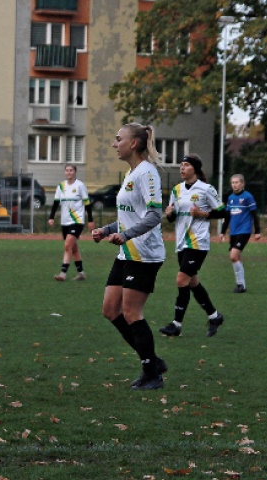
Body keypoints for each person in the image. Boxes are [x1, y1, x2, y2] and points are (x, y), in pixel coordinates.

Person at [92, 123, 166, 390]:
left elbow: (155, 215)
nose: (114, 144)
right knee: (111, 310)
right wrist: (107, 230)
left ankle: (152, 374)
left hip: (143, 254)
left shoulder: (147, 173)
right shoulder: (131, 173)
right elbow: (129, 217)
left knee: (132, 312)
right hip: (127, 252)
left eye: (118, 139)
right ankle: (152, 361)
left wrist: (126, 235)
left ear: (133, 143)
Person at [158, 154, 225, 338]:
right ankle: (214, 316)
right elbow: (173, 218)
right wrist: (170, 213)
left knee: (182, 280)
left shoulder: (206, 189)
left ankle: (176, 325)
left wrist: (203, 214)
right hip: (182, 243)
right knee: (192, 282)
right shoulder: (177, 189)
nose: (182, 168)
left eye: (186, 165)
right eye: (181, 165)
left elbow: (222, 212)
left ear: (194, 169)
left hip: (198, 242)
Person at [48, 164, 94, 281]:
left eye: (71, 170)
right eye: (67, 170)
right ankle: (81, 273)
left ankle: (63, 274)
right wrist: (51, 217)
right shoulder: (61, 186)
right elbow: (56, 203)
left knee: (67, 246)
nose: (69, 172)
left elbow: (87, 204)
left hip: (77, 220)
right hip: (65, 221)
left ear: (75, 172)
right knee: (73, 248)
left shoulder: (80, 186)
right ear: (65, 172)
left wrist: (90, 220)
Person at [220, 174, 261, 293]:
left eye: (237, 182)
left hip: (244, 230)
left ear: (242, 183)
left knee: (233, 256)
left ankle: (239, 284)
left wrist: (257, 231)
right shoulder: (230, 198)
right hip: (233, 232)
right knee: (237, 258)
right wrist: (222, 232)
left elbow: (255, 215)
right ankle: (242, 286)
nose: (234, 185)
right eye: (233, 182)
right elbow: (227, 217)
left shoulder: (248, 197)